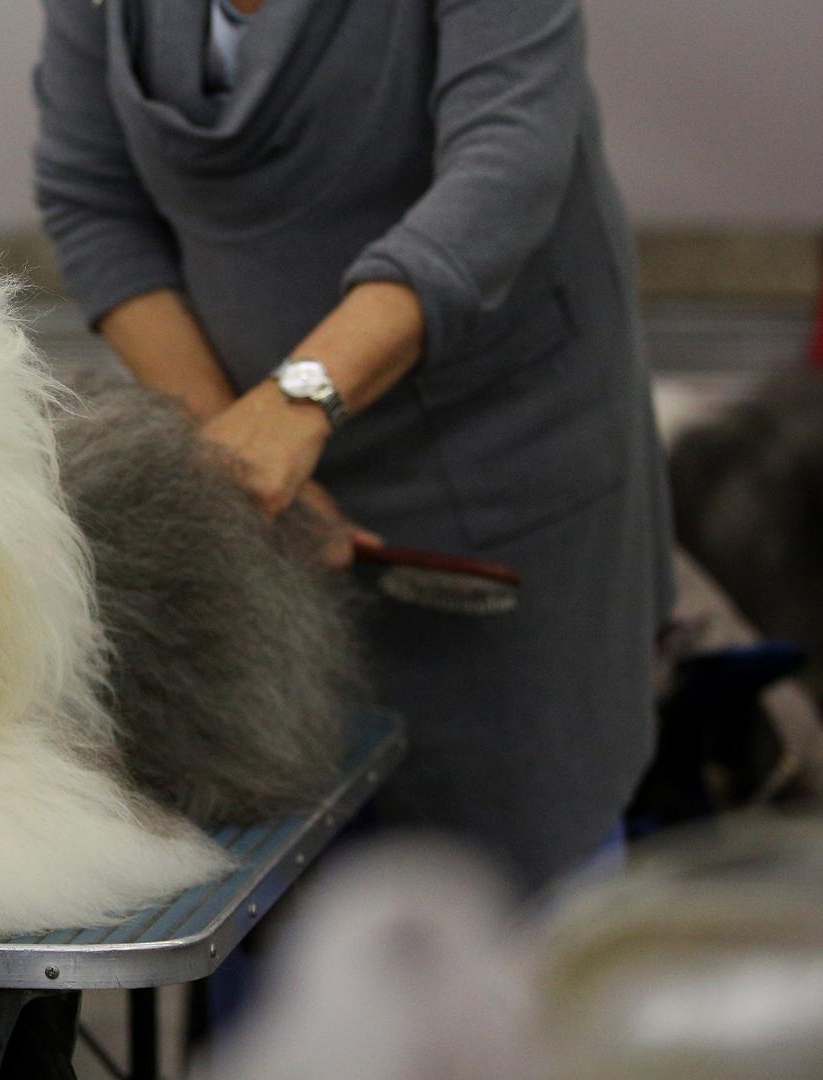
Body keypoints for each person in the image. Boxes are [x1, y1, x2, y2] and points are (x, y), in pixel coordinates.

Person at [34, 0, 674, 889]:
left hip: (500, 464)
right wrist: (232, 446)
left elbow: (504, 170)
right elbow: (92, 199)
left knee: (524, 889)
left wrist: (299, 403)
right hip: (254, 466)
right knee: (270, 880)